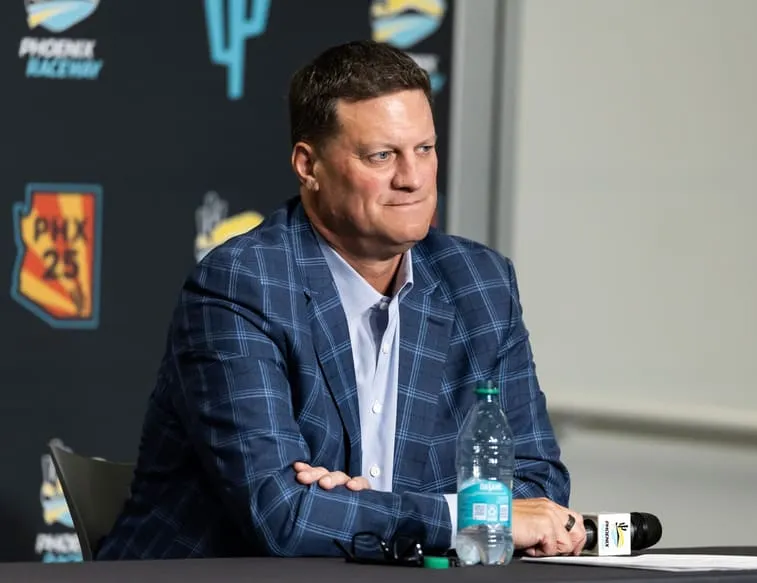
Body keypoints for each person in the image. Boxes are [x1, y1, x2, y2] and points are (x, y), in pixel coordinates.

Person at [96, 39, 586, 561]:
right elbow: (283, 516)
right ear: (309, 165)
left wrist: (359, 509)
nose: (413, 178)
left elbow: (536, 484)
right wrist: (463, 514)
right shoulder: (243, 283)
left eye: (424, 149)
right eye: (382, 156)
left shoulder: (480, 283)